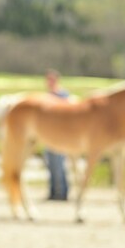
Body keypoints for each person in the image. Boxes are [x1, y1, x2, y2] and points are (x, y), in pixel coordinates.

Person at [44, 69, 70, 201]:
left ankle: (63, 192)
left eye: (51, 80)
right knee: (51, 164)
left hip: (60, 136)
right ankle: (53, 191)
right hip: (50, 135)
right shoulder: (48, 95)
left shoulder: (62, 95)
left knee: (59, 164)